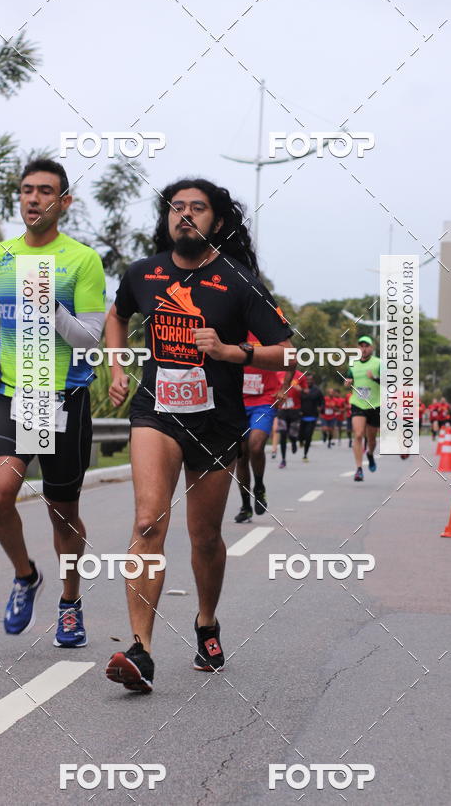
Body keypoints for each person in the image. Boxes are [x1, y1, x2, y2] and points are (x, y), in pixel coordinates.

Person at [104, 179, 293, 692]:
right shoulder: (144, 273)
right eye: (176, 208)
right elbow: (117, 316)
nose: (184, 215)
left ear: (218, 221)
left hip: (218, 421)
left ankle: (205, 620)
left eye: (198, 208)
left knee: (205, 537)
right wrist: (119, 366)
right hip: (156, 413)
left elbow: (287, 349)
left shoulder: (238, 281)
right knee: (147, 522)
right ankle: (140, 650)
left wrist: (235, 353)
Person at [0, 159, 106, 647]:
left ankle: (70, 602)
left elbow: (90, 342)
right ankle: (25, 575)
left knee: (61, 511)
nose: (33, 199)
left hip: (63, 397)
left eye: (45, 191)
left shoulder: (83, 260)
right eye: (26, 190)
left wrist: (53, 310)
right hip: (14, 395)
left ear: (63, 202)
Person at [234, 333, 293, 522]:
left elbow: (291, 359)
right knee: (241, 455)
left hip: (264, 400)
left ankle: (259, 486)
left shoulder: (267, 329)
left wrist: (283, 388)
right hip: (237, 402)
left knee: (256, 445)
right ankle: (245, 506)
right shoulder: (230, 327)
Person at [344, 336, 380, 482]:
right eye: (361, 346)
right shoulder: (353, 363)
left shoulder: (378, 363)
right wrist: (348, 382)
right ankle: (359, 469)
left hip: (375, 404)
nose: (364, 348)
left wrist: (375, 378)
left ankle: (370, 454)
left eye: (367, 346)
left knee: (371, 439)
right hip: (358, 403)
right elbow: (348, 379)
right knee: (358, 434)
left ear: (371, 348)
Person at [276, 369, 308, 467]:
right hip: (282, 409)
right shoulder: (278, 374)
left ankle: (294, 441)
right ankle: (283, 459)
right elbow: (273, 388)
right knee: (283, 434)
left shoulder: (300, 375)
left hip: (295, 410)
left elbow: (306, 391)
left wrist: (301, 390)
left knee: (292, 434)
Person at [298, 373, 324, 461]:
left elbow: (322, 401)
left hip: (312, 416)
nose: (308, 381)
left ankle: (305, 454)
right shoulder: (301, 389)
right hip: (301, 416)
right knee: (301, 435)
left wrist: (321, 408)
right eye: (307, 380)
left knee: (308, 436)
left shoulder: (317, 390)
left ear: (313, 380)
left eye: (310, 380)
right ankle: (301, 441)